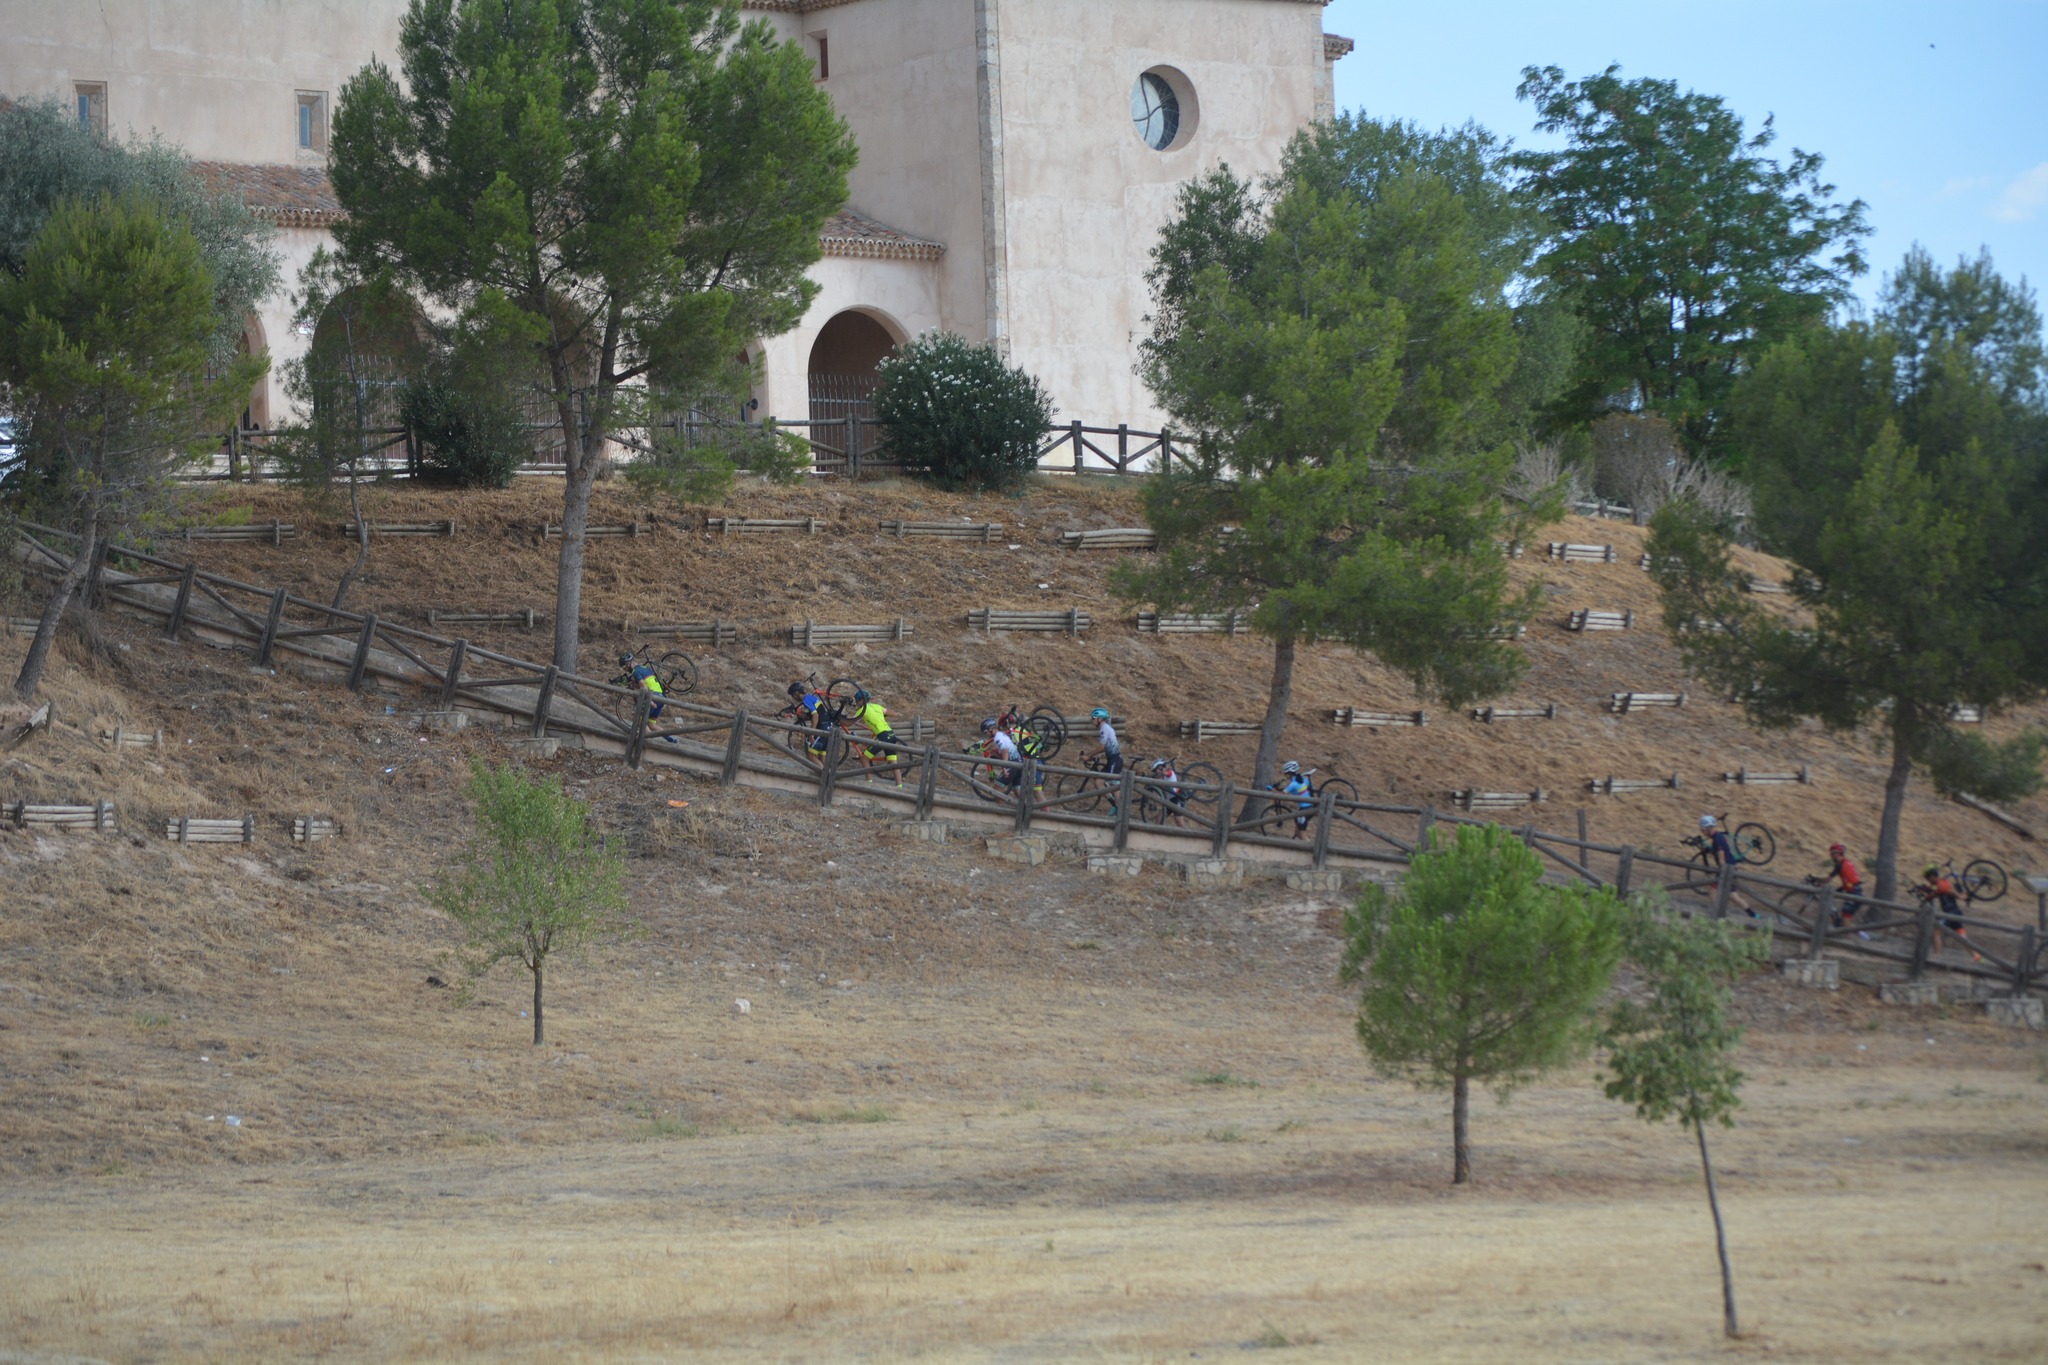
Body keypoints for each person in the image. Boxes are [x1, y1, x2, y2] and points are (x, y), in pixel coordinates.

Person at [1914, 864, 1978, 959]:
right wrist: (1923, 892)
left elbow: (1949, 891)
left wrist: (1960, 897)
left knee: (1937, 930)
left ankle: (1937, 957)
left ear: (1932, 875)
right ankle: (1978, 958)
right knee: (1963, 939)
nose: (1927, 880)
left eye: (1927, 877)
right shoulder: (1939, 883)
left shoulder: (1941, 884)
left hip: (1951, 913)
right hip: (1955, 913)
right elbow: (1932, 893)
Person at [846, 688, 901, 781]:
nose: (856, 703)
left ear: (862, 700)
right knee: (893, 763)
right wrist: (896, 714)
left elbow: (848, 723)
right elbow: (891, 713)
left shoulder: (862, 710)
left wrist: (840, 721)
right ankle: (899, 786)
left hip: (883, 735)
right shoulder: (876, 706)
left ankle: (869, 782)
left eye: (857, 700)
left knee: (864, 759)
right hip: (891, 734)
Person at [1825, 843, 1869, 937]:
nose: (1832, 856)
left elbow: (1827, 880)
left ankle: (1863, 938)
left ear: (1839, 854)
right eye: (1831, 853)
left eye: (1833, 853)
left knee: (1845, 921)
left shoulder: (1839, 865)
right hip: (1854, 890)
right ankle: (1848, 935)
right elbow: (1849, 879)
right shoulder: (1847, 862)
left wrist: (1816, 880)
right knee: (1844, 919)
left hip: (1853, 893)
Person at [980, 716, 1029, 792]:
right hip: (1019, 763)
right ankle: (1024, 801)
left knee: (997, 788)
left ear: (991, 729)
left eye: (986, 732)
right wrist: (996, 754)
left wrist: (1004, 767)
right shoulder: (1002, 735)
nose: (986, 734)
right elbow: (1006, 753)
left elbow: (1005, 751)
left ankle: (1000, 800)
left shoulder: (997, 738)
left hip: (1013, 764)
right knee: (1017, 791)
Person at [1275, 760, 1314, 840]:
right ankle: (1295, 843)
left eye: (1286, 774)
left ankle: (1309, 846)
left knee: (1301, 834)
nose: (1285, 775)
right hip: (1311, 806)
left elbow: (1282, 794)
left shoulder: (1293, 784)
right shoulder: (1304, 779)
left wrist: (1271, 790)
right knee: (1297, 831)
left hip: (1305, 809)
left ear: (1290, 773)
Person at [621, 653, 664, 718]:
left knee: (640, 721)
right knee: (651, 723)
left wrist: (651, 702)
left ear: (628, 664)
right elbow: (648, 683)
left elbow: (644, 687)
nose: (625, 670)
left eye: (624, 667)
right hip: (661, 697)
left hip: (653, 697)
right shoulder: (645, 667)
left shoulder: (636, 672)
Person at [1083, 707, 1122, 775]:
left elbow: (1102, 748)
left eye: (1093, 718)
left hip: (1114, 761)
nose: (1092, 720)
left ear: (1100, 719)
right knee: (1099, 779)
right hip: (1111, 760)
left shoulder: (1104, 728)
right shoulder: (1104, 728)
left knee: (1104, 780)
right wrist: (1088, 754)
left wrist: (1088, 756)